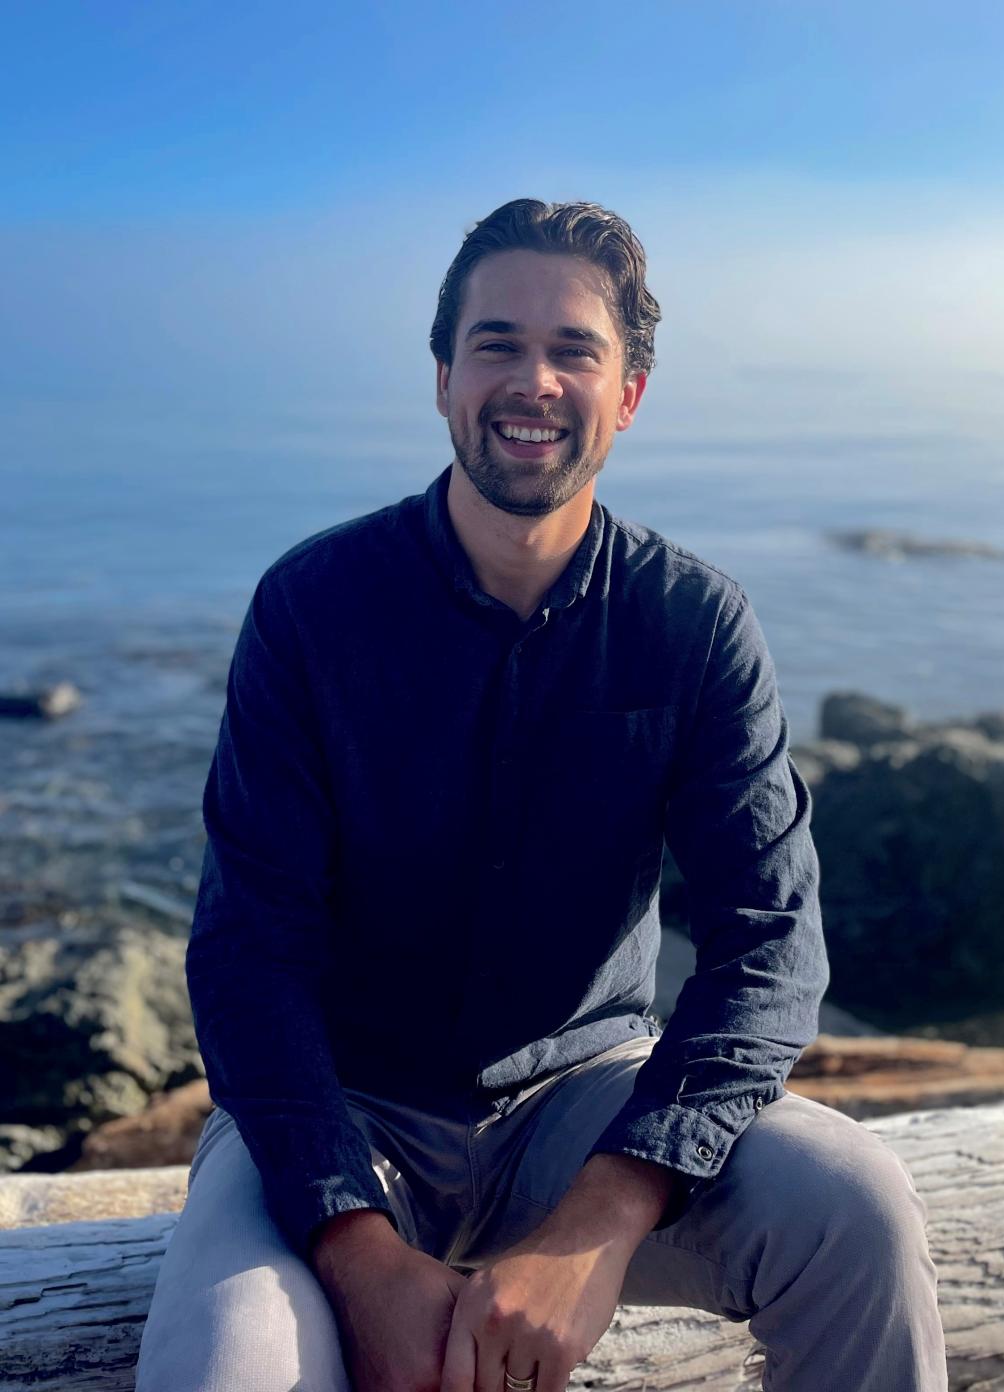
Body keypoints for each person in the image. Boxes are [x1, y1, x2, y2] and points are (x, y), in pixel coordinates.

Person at [135, 199, 947, 1392]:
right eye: (497, 344)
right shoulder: (313, 610)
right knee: (226, 1370)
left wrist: (601, 1221)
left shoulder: (690, 624)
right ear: (443, 378)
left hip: (586, 1097)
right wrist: (356, 1252)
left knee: (858, 1209)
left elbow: (771, 945)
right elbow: (248, 951)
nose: (534, 381)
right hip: (335, 1108)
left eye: (575, 350)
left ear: (628, 394)